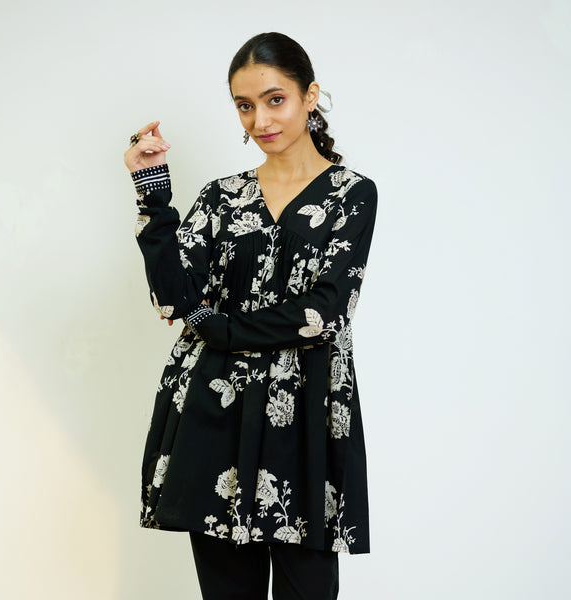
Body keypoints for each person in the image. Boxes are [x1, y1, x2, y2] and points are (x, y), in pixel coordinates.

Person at [123, 32, 378, 600]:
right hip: (216, 408)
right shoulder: (222, 197)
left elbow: (324, 311)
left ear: (310, 95)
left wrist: (220, 328)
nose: (260, 120)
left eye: (274, 99)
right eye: (244, 105)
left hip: (304, 412)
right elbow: (172, 297)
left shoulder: (352, 195)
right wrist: (152, 190)